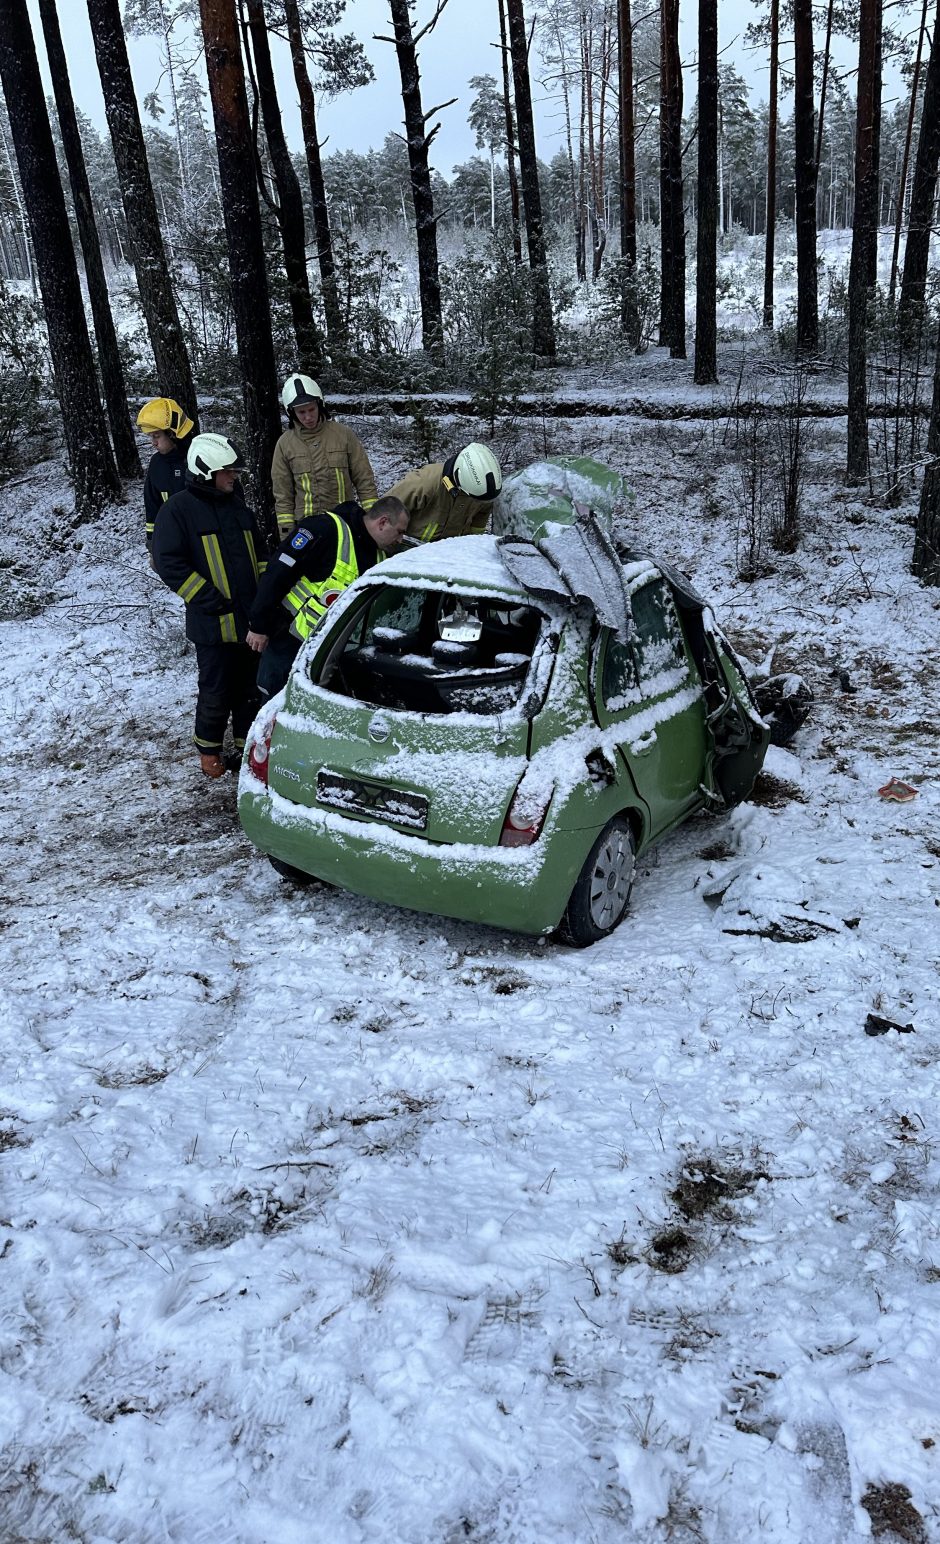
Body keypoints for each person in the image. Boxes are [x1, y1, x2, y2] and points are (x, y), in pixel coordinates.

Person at [152, 433, 267, 779]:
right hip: (211, 623)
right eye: (227, 471)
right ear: (206, 471)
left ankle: (247, 749)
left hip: (248, 621)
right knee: (216, 687)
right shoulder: (178, 511)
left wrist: (264, 602)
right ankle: (209, 754)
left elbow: (260, 557)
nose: (234, 476)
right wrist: (208, 598)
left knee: (250, 687)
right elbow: (168, 563)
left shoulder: (238, 507)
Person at [246, 495, 409, 698]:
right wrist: (259, 624)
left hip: (328, 654)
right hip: (287, 640)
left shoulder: (378, 556)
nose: (401, 539)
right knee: (275, 711)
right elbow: (277, 574)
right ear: (383, 522)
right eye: (400, 532)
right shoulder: (325, 529)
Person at [273, 374, 378, 542]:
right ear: (291, 412)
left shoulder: (343, 435)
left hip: (344, 524)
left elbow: (364, 480)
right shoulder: (285, 444)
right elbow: (282, 494)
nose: (308, 417)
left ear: (320, 404)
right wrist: (287, 535)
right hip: (307, 529)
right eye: (301, 412)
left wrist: (373, 520)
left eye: (311, 409)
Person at [385, 443, 502, 544]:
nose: (478, 502)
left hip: (450, 555)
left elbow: (483, 512)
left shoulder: (481, 492)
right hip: (411, 548)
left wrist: (474, 542)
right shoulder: (423, 484)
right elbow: (383, 516)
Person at [136, 397, 195, 555]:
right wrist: (152, 541)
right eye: (151, 437)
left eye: (156, 436)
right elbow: (152, 505)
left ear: (173, 433)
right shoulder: (156, 465)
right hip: (176, 542)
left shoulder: (196, 459)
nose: (153, 443)